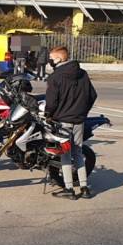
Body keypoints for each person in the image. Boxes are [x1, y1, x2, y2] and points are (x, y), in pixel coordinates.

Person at [45, 46, 98, 200]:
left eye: (51, 58)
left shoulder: (55, 77)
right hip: (79, 120)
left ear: (59, 59)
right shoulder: (83, 74)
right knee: (79, 153)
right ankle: (84, 188)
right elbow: (92, 95)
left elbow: (51, 102)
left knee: (65, 156)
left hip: (63, 121)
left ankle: (69, 188)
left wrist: (49, 115)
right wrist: (82, 112)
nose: (49, 61)